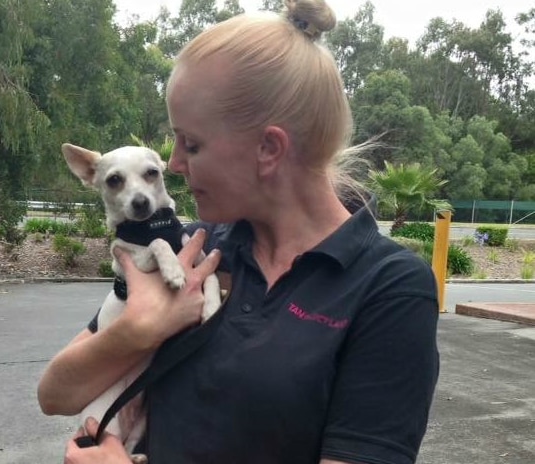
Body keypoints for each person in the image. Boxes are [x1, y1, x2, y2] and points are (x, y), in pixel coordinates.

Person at [37, 0, 440, 463]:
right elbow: (56, 394)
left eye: (191, 143)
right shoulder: (197, 247)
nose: (174, 164)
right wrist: (139, 330)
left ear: (268, 148)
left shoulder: (388, 288)